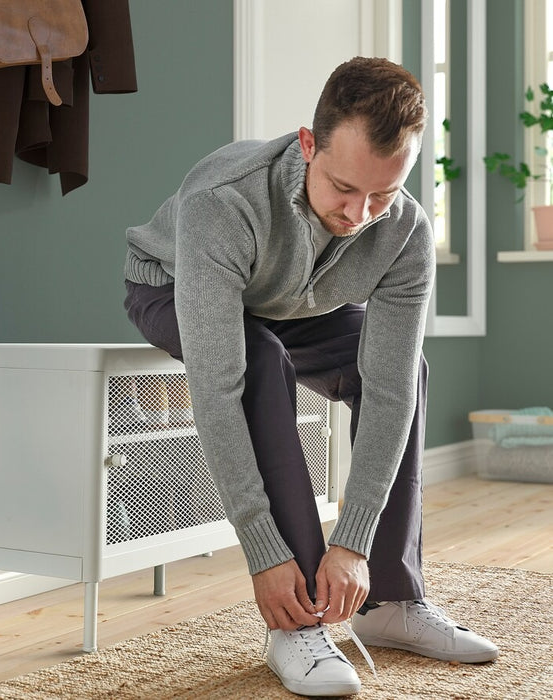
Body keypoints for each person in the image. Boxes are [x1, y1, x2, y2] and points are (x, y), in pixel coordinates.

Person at [123, 57, 498, 697]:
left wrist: (352, 541)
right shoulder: (224, 201)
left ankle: (393, 602)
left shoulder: (404, 231)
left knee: (410, 370)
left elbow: (387, 389)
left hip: (296, 300)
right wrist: (264, 551)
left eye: (382, 194)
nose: (359, 213)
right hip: (173, 285)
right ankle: (295, 622)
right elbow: (219, 389)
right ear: (307, 144)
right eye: (343, 188)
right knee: (260, 363)